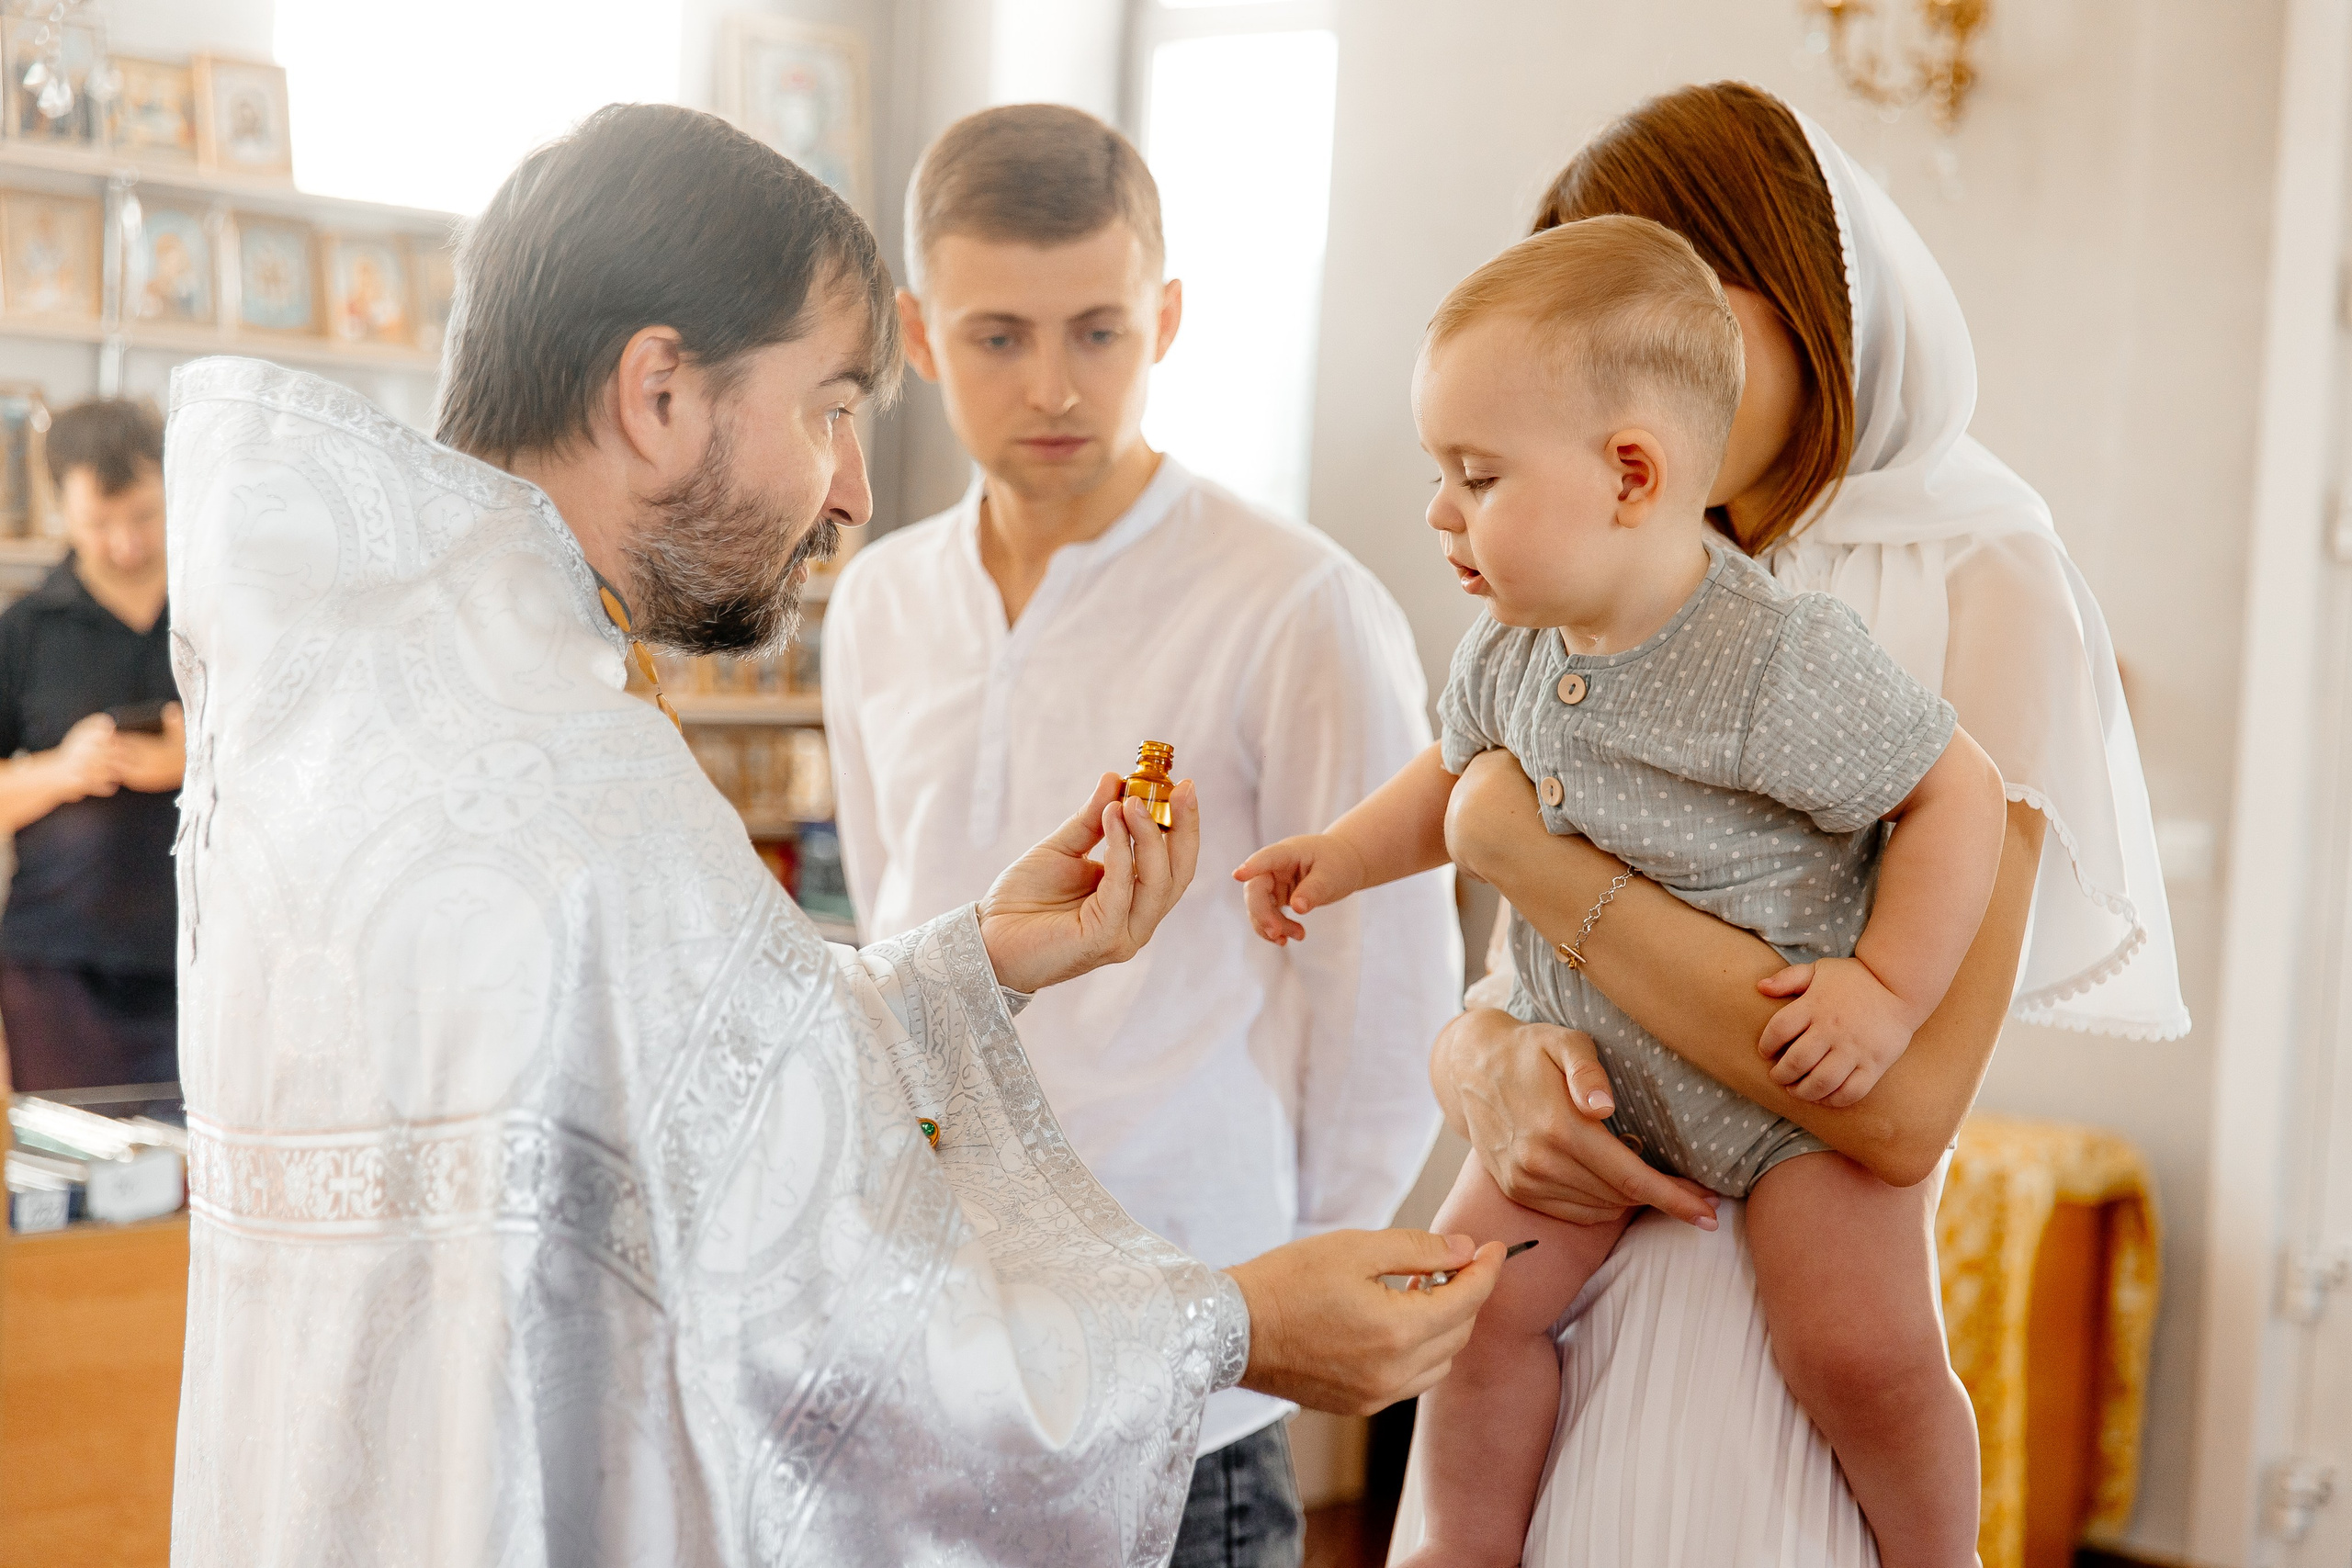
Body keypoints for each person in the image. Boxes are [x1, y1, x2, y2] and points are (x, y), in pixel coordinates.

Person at [164, 104, 1503, 1568]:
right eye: (829, 408)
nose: (855, 486)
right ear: (660, 394)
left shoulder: (362, 694)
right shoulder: (586, 786)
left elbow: (685, 1071)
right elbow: (826, 1323)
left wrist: (968, 963)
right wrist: (1240, 1318)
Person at [1391, 84, 2188, 1562]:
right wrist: (1480, 1055)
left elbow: (1895, 1103)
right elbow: (1517, 990)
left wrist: (1517, 846)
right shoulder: (1617, 583)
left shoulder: (1984, 578)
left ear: (1811, 301)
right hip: (1563, 1299)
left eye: (1683, 309)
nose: (1640, 369)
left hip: (1781, 1355)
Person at [1244, 215, 2005, 1566]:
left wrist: (1885, 990)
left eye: (1473, 476)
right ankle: (1462, 1543)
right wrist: (1341, 856)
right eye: (1441, 473)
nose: (1438, 510)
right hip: (1598, 1085)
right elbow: (1452, 775)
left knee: (1860, 1347)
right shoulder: (1514, 643)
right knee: (1471, 1299)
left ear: (1630, 473)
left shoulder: (1775, 654)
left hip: (1782, 1113)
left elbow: (1961, 794)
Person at [824, 104, 1463, 1563]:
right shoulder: (876, 600)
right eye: (998, 336)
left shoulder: (1297, 602)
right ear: (919, 336)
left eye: (1098, 330)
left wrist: (1269, 1306)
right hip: (937, 1341)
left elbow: (1386, 1000)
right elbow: (899, 934)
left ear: (1165, 318)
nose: (1053, 382)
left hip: (1193, 1364)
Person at [0, 398, 184, 1092]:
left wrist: (202, 759)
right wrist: (64, 771)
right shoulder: (24, 631)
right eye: (98, 524)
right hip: (59, 971)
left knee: (202, 1192)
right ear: (62, 510)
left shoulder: (222, 619)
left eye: (144, 516)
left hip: (209, 963)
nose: (126, 544)